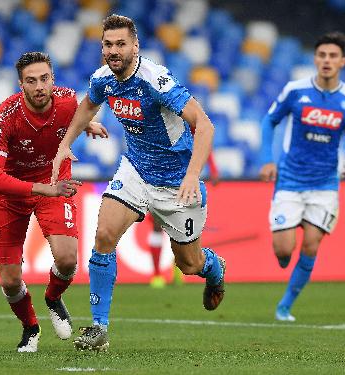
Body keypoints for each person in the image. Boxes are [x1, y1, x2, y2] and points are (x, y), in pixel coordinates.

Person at [51, 14, 227, 352]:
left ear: (135, 46)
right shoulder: (103, 78)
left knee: (188, 265)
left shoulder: (156, 80)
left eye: (120, 44)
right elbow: (87, 105)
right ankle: (99, 327)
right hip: (135, 170)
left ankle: (213, 268)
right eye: (107, 44)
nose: (113, 50)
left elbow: (203, 125)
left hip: (177, 181)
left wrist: (192, 175)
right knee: (103, 235)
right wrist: (65, 144)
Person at [0, 52, 108, 352]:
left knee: (67, 259)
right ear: (20, 84)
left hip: (55, 181)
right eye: (31, 81)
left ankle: (53, 297)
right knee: (10, 280)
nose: (39, 86)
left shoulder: (66, 100)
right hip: (14, 194)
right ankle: (30, 328)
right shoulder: (6, 116)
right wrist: (42, 190)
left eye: (44, 79)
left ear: (53, 78)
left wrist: (86, 125)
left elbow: (76, 114)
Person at [258, 32, 345, 322]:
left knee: (312, 244)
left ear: (342, 61)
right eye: (322, 55)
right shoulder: (295, 90)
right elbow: (270, 121)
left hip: (325, 184)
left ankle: (285, 306)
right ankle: (286, 247)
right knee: (283, 251)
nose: (326, 60)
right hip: (290, 180)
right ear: (315, 59)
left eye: (332, 56)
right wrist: (267, 159)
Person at [148, 155, 219, 288]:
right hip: (158, 175)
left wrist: (212, 167)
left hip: (182, 176)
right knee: (157, 225)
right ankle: (157, 274)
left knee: (182, 224)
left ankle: (178, 263)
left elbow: (201, 138)